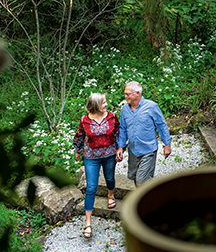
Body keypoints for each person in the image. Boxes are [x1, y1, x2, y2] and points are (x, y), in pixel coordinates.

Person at [73, 93, 119, 239]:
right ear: (95, 105)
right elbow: (80, 134)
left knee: (110, 179)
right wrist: (77, 150)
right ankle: (88, 223)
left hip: (109, 154)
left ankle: (110, 195)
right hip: (91, 157)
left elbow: (118, 132)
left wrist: (120, 149)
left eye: (105, 102)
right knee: (91, 187)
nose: (106, 104)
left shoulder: (111, 116)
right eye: (103, 102)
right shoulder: (84, 119)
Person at [115, 81, 171, 186]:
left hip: (148, 150)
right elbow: (122, 128)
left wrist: (167, 145)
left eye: (128, 94)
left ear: (137, 93)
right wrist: (120, 147)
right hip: (133, 150)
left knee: (142, 181)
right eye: (125, 94)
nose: (125, 96)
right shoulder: (125, 109)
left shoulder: (152, 106)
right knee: (135, 178)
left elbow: (161, 125)